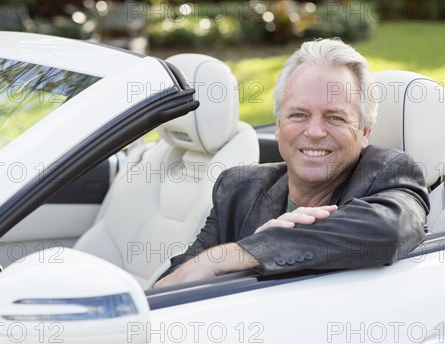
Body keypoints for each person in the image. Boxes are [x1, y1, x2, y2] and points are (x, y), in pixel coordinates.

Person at [153, 38, 429, 288]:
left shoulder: (390, 172)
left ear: (365, 132)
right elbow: (175, 284)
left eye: (335, 117)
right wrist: (210, 262)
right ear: (278, 126)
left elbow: (391, 229)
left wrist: (248, 250)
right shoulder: (238, 188)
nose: (314, 132)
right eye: (298, 115)